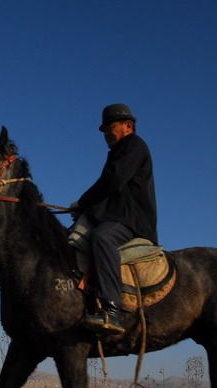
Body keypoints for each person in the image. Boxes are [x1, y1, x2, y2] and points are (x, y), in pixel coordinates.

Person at [70, 104, 158, 335]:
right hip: (118, 215)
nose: (107, 133)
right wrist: (85, 210)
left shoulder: (134, 145)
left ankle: (112, 309)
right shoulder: (119, 151)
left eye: (110, 127)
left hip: (132, 220)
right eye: (104, 130)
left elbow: (113, 180)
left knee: (101, 237)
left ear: (128, 125)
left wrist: (83, 202)